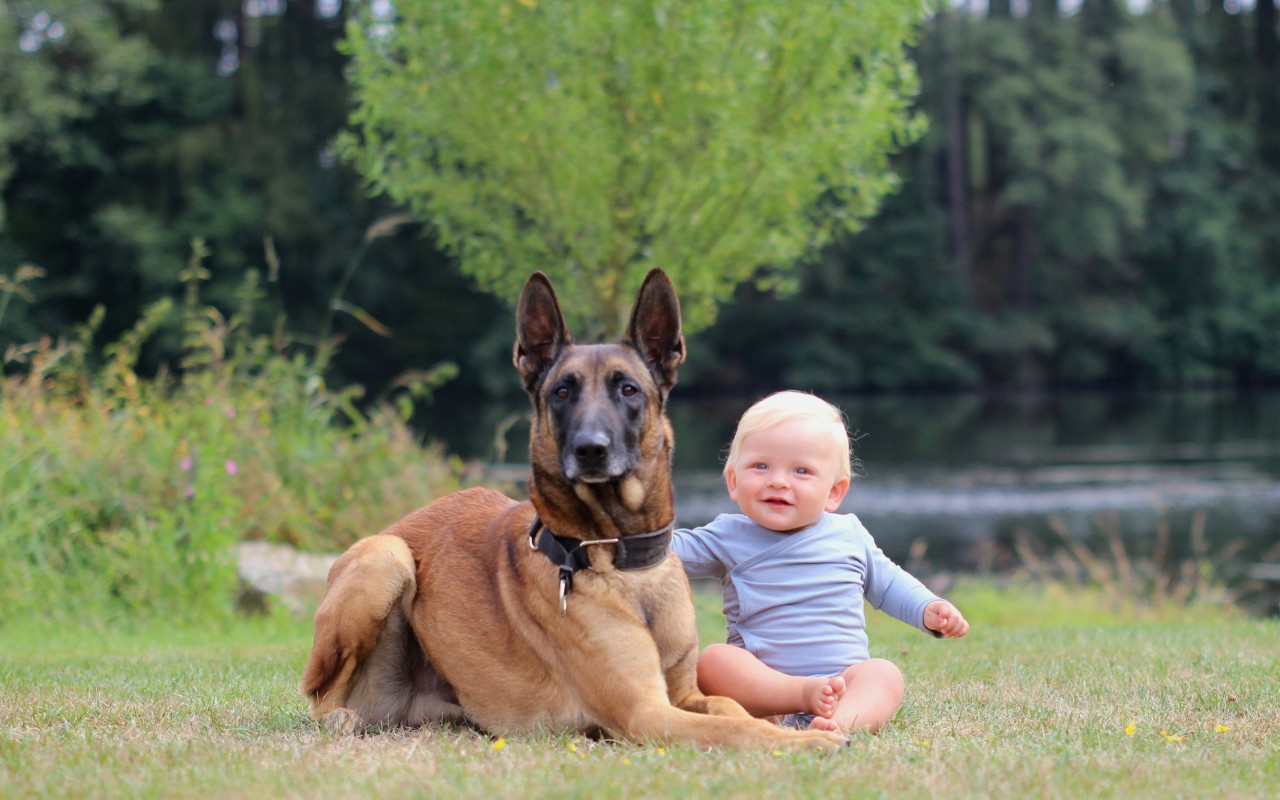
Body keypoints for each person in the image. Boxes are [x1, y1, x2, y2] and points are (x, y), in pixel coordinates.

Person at [671, 391, 969, 734]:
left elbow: (888, 584)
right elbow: (665, 553)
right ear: (734, 482)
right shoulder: (728, 535)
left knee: (883, 673)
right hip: (763, 687)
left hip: (840, 683)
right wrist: (613, 535)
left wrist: (927, 607)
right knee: (714, 661)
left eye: (801, 471)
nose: (778, 481)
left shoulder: (849, 534)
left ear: (834, 493)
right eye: (760, 466)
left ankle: (836, 723)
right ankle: (793, 700)